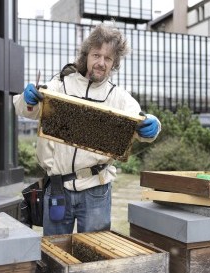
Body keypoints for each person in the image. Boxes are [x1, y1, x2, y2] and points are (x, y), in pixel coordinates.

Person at [13, 22, 161, 236]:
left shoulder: (118, 97)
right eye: (96, 55)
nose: (101, 63)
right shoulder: (60, 83)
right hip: (57, 188)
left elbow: (141, 123)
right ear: (86, 55)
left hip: (96, 190)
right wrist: (29, 100)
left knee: (93, 260)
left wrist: (153, 125)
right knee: (53, 254)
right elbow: (26, 109)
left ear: (114, 63)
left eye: (108, 58)